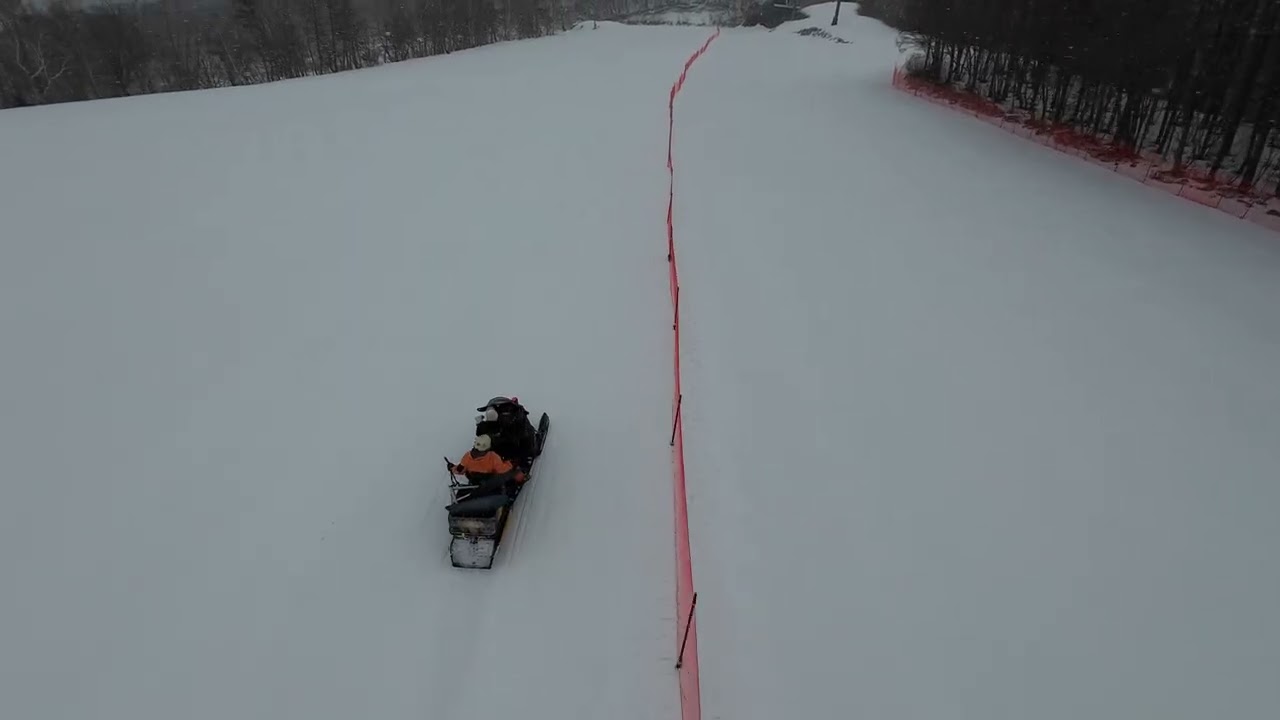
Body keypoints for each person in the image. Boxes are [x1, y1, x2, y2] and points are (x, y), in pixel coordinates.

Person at [447, 434, 525, 498]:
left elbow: (460, 470)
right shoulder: (493, 457)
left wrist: (452, 467)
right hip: (490, 484)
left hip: (475, 482)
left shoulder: (467, 457)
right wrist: (511, 464)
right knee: (513, 475)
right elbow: (503, 470)